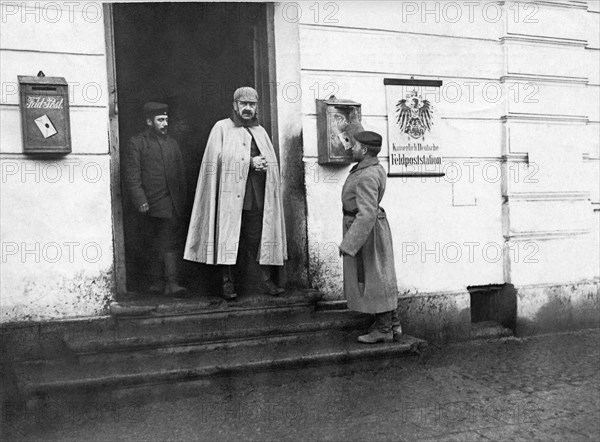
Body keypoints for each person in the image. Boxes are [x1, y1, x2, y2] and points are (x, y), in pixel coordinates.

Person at [184, 87, 286, 300]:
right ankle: (227, 283)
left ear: (257, 107)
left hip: (256, 196)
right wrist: (249, 162)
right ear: (235, 105)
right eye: (243, 104)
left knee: (258, 237)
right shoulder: (221, 128)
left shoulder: (261, 132)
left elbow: (273, 164)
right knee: (229, 237)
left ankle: (264, 281)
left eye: (252, 104)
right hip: (229, 197)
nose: (248, 108)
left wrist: (267, 166)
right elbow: (215, 161)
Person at [338, 130, 402, 343]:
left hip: (366, 229)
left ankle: (384, 330)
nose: (350, 147)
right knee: (382, 275)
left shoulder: (366, 175)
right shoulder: (372, 167)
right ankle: (393, 324)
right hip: (373, 226)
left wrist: (349, 243)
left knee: (375, 277)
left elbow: (366, 213)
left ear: (364, 150)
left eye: (354, 145)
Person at [125, 102, 188, 297]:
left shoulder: (172, 144)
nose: (165, 123)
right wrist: (140, 200)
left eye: (166, 119)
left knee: (170, 242)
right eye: (160, 120)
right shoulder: (137, 143)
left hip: (171, 205)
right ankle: (157, 283)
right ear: (148, 121)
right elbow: (132, 175)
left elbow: (181, 175)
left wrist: (182, 201)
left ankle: (171, 283)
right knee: (153, 243)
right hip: (150, 205)